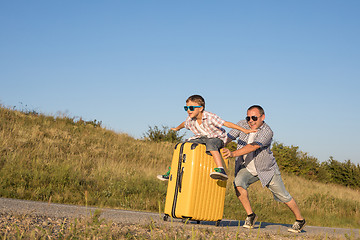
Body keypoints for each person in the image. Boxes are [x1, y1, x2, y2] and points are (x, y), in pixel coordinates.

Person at [222, 105, 306, 233]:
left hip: (266, 170)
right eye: (248, 117)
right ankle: (251, 216)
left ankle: (300, 220)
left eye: (254, 117)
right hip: (247, 168)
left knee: (283, 196)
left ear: (263, 117)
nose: (251, 120)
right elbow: (227, 138)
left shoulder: (267, 131)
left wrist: (233, 153)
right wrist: (217, 146)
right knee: (238, 183)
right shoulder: (242, 124)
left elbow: (253, 146)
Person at [157, 95, 256, 181]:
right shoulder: (190, 119)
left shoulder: (210, 117)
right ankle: (172, 171)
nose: (188, 110)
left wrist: (245, 130)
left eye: (191, 108)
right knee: (183, 146)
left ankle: (221, 169)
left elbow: (226, 124)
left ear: (200, 108)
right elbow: (184, 124)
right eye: (186, 108)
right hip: (202, 138)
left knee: (211, 143)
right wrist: (177, 128)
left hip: (218, 138)